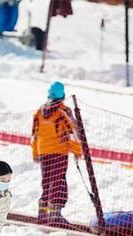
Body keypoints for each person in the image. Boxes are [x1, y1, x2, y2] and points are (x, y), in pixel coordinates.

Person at [31, 81, 82, 226]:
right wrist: (77, 151)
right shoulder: (63, 111)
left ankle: (42, 215)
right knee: (59, 181)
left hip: (43, 151)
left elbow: (34, 134)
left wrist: (35, 152)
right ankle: (55, 215)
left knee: (46, 181)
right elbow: (72, 133)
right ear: (62, 94)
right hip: (59, 152)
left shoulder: (39, 111)